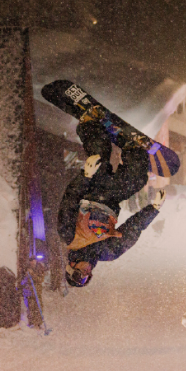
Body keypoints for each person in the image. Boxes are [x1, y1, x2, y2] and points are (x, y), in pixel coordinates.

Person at [57, 119, 165, 288]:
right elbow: (132, 229)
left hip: (92, 189)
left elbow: (70, 200)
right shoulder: (108, 252)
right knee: (136, 178)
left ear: (71, 266)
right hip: (113, 197)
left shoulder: (69, 235)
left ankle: (90, 123)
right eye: (87, 277)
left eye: (80, 274)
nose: (86, 272)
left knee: (99, 154)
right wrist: (153, 209)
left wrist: (85, 176)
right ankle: (132, 145)